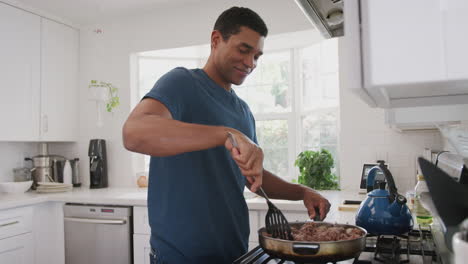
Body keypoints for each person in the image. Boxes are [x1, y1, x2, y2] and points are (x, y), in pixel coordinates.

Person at [123, 6, 331, 264]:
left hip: (234, 253)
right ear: (215, 40)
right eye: (244, 50)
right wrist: (226, 134)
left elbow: (253, 178)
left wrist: (302, 192)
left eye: (257, 56)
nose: (251, 63)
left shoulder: (243, 111)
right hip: (180, 257)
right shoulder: (181, 83)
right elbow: (133, 133)